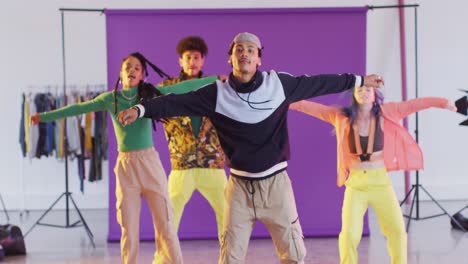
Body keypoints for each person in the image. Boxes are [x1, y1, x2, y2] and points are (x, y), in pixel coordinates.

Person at [117, 32, 384, 264]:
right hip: (239, 191)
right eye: (238, 50)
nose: (244, 53)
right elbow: (175, 102)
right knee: (231, 257)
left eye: (250, 50)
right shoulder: (217, 93)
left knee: (293, 255)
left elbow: (319, 83)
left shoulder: (278, 85)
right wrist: (141, 109)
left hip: (276, 187)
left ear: (259, 59)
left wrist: (360, 80)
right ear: (230, 59)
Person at [30, 52, 216, 264]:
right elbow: (79, 108)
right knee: (128, 229)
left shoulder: (150, 95)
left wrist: (216, 80)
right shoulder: (111, 99)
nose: (132, 70)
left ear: (143, 75)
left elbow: (183, 87)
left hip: (149, 164)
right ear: (120, 73)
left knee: (165, 224)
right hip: (126, 168)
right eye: (128, 66)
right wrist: (42, 117)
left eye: (137, 67)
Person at [289, 87, 456, 264]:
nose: (364, 92)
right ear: (353, 94)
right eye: (360, 89)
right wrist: (285, 102)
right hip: (356, 185)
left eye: (368, 89)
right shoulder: (341, 116)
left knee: (397, 231)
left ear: (375, 94)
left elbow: (416, 104)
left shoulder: (387, 112)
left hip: (381, 183)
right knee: (349, 234)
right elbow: (308, 107)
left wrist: (443, 103)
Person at [157, 36, 227, 243]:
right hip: (181, 164)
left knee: (228, 214)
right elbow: (149, 103)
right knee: (169, 217)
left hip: (212, 162)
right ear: (180, 60)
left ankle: (231, 258)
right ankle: (163, 259)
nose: (192, 62)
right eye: (188, 57)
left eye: (196, 57)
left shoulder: (217, 87)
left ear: (203, 60)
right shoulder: (167, 88)